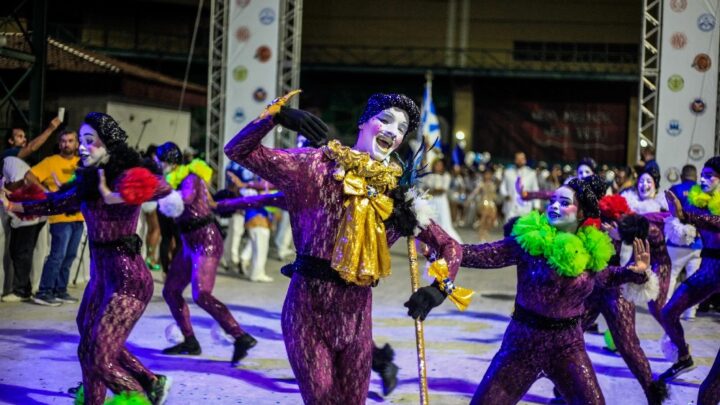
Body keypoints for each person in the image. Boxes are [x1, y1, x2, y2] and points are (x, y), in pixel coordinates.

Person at [225, 91, 464, 404]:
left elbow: (449, 246)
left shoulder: (398, 197)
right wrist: (277, 116)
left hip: (357, 320)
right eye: (385, 120)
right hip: (307, 314)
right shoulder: (313, 165)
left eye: (401, 128)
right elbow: (238, 151)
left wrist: (439, 289)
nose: (393, 131)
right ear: (363, 122)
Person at [3, 112, 172, 404]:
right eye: (81, 140)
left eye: (90, 141)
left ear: (109, 145)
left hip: (128, 281)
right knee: (88, 348)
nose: (82, 147)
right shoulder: (89, 183)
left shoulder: (124, 175)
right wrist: (14, 203)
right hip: (101, 279)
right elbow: (55, 202)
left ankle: (137, 395)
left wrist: (120, 193)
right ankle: (137, 385)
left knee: (100, 356)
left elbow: (162, 186)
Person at [460, 176, 651, 404]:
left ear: (581, 213)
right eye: (552, 201)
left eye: (564, 202)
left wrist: (634, 271)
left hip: (568, 347)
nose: (555, 206)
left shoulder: (590, 249)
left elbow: (606, 276)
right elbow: (478, 254)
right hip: (523, 345)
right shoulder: (528, 243)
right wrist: (437, 245)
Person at [155, 142, 257, 363]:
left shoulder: (190, 177)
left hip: (206, 239)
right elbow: (209, 203)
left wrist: (158, 189)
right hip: (187, 241)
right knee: (171, 291)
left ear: (168, 162)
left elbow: (185, 199)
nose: (158, 166)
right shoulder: (173, 181)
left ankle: (240, 336)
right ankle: (190, 341)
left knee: (201, 294)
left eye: (159, 162)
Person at [661, 157, 720, 400]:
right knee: (667, 312)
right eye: (702, 174)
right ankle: (684, 356)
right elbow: (670, 217)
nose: (704, 179)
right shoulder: (698, 201)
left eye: (710, 175)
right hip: (709, 267)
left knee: (708, 391)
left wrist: (686, 216)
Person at [27, 130, 84, 306]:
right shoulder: (51, 161)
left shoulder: (81, 163)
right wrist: (46, 192)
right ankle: (44, 292)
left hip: (79, 216)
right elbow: (29, 175)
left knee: (70, 256)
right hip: (60, 217)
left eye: (70, 141)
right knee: (57, 255)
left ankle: (60, 290)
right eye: (63, 141)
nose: (66, 144)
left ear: (76, 143)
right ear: (59, 144)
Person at [0, 157, 47, 303]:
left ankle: (21, 291)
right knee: (17, 252)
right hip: (24, 215)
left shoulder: (9, 162)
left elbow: (21, 182)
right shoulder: (9, 165)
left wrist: (6, 192)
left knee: (22, 253)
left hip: (29, 216)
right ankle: (24, 288)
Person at [665, 164, 702, 320]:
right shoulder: (703, 191)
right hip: (696, 243)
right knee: (693, 279)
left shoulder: (675, 188)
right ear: (696, 176)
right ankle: (690, 313)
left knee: (671, 277)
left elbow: (669, 212)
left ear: (681, 176)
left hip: (675, 243)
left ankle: (666, 308)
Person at [423, 159, 462, 241]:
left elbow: (443, 189)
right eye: (437, 165)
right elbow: (425, 187)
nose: (438, 167)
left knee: (442, 223)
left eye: (440, 165)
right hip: (430, 201)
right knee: (430, 222)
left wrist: (432, 190)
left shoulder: (446, 176)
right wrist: (432, 191)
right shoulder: (429, 175)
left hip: (440, 202)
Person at [499, 152, 539, 222]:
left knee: (523, 228)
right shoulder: (508, 172)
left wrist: (536, 205)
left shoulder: (531, 173)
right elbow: (503, 186)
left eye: (522, 159)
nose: (520, 161)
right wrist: (505, 195)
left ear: (525, 160)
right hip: (511, 206)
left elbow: (535, 189)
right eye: (518, 159)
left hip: (526, 206)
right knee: (510, 228)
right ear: (515, 160)